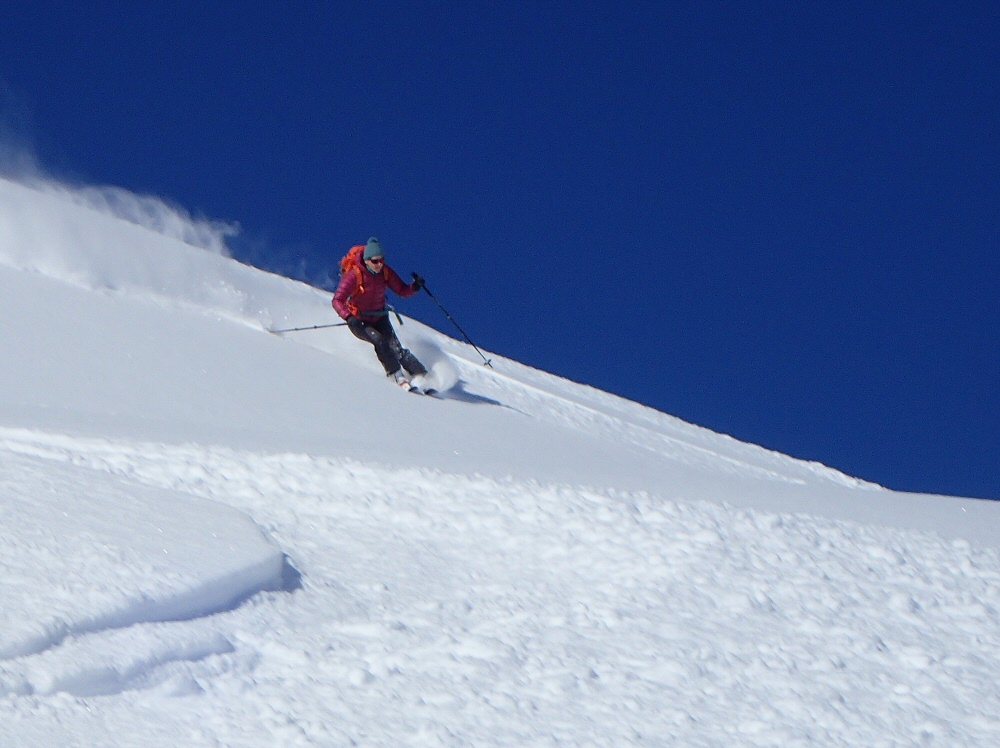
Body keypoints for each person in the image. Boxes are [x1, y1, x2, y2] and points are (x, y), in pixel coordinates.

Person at [332, 237, 429, 390]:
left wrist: (415, 287)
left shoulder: (385, 272)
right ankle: (396, 375)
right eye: (375, 261)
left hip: (379, 316)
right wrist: (348, 317)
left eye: (381, 260)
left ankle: (422, 375)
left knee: (396, 347)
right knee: (380, 342)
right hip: (359, 320)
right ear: (367, 260)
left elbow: (402, 290)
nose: (379, 264)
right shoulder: (354, 275)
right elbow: (337, 300)